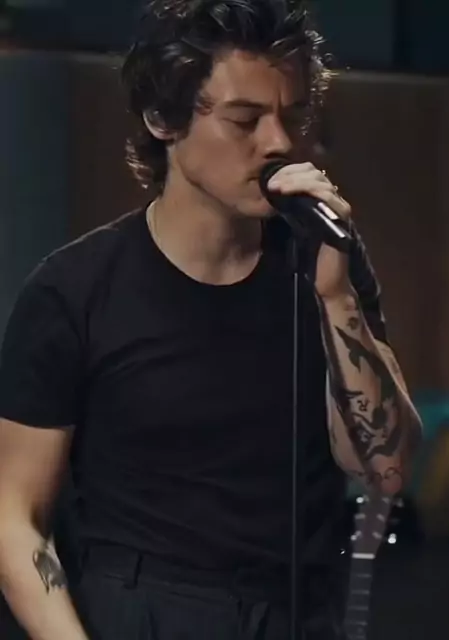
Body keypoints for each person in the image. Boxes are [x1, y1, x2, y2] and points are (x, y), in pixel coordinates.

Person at [0, 1, 422, 638]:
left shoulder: (326, 261)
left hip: (297, 610)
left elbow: (384, 470)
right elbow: (16, 518)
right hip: (143, 610)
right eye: (244, 120)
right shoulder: (73, 291)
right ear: (162, 118)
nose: (278, 143)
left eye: (293, 116)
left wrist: (337, 298)